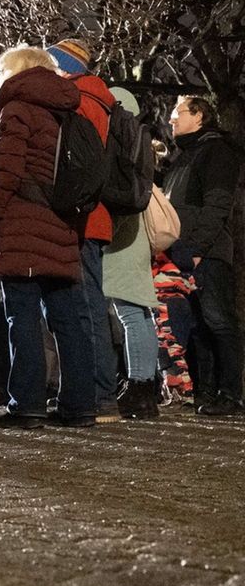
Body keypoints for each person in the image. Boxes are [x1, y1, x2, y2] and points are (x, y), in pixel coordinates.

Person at [0, 46, 96, 428]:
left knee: (22, 317)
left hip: (23, 224)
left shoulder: (17, 109)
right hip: (63, 224)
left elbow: (7, 171)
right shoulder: (68, 111)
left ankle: (27, 404)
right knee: (68, 320)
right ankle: (80, 405)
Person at [48, 40, 122, 423]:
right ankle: (95, 392)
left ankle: (99, 394)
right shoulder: (96, 98)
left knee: (87, 306)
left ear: (65, 67)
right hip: (93, 214)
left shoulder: (81, 99)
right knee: (88, 303)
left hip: (84, 216)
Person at [164, 95, 243, 415]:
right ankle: (206, 391)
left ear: (199, 116)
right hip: (186, 253)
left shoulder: (216, 151)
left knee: (219, 322)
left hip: (205, 254)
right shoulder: (183, 157)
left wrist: (196, 249)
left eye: (177, 113)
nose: (171, 119)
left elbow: (217, 207)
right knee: (197, 325)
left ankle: (231, 393)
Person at [99, 88, 159, 419]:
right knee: (138, 312)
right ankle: (143, 387)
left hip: (125, 236)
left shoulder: (121, 140)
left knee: (132, 313)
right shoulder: (140, 141)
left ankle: (140, 387)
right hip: (134, 238)